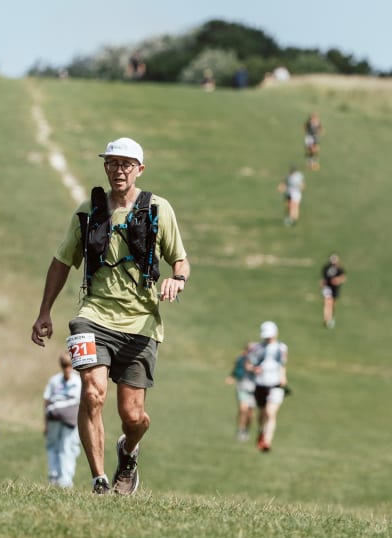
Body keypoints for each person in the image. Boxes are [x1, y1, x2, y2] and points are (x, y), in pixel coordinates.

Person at [30, 137, 190, 496]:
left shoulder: (158, 209)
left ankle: (128, 451)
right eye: (113, 163)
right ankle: (99, 480)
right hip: (93, 316)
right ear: (105, 167)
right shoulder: (88, 211)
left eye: (126, 164)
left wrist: (177, 279)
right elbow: (61, 262)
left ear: (140, 169)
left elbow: (180, 259)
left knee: (133, 417)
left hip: (141, 324)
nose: (119, 170)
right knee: (92, 392)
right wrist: (44, 312)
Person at [247, 321, 288, 452]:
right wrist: (254, 369)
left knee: (271, 412)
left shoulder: (281, 348)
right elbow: (248, 364)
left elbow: (282, 364)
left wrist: (283, 377)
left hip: (275, 385)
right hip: (260, 384)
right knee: (262, 413)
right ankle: (261, 431)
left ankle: (267, 441)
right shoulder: (257, 348)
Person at [43, 352, 82, 487]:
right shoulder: (78, 380)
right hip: (69, 418)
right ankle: (64, 480)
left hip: (55, 415)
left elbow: (47, 400)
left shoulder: (54, 380)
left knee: (56, 446)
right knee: (67, 447)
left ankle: (55, 477)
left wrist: (45, 423)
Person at [226, 342, 257, 441]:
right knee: (243, 409)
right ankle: (240, 430)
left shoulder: (260, 360)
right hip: (243, 386)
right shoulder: (241, 358)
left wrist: (253, 369)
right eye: (249, 349)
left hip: (255, 389)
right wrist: (232, 377)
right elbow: (236, 369)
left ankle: (246, 430)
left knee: (250, 414)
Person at [320, 253, 346, 328]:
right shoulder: (326, 268)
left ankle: (330, 318)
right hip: (327, 288)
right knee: (328, 302)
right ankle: (326, 319)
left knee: (332, 304)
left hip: (335, 289)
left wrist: (338, 280)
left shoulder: (339, 269)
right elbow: (323, 279)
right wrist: (323, 284)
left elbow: (343, 278)